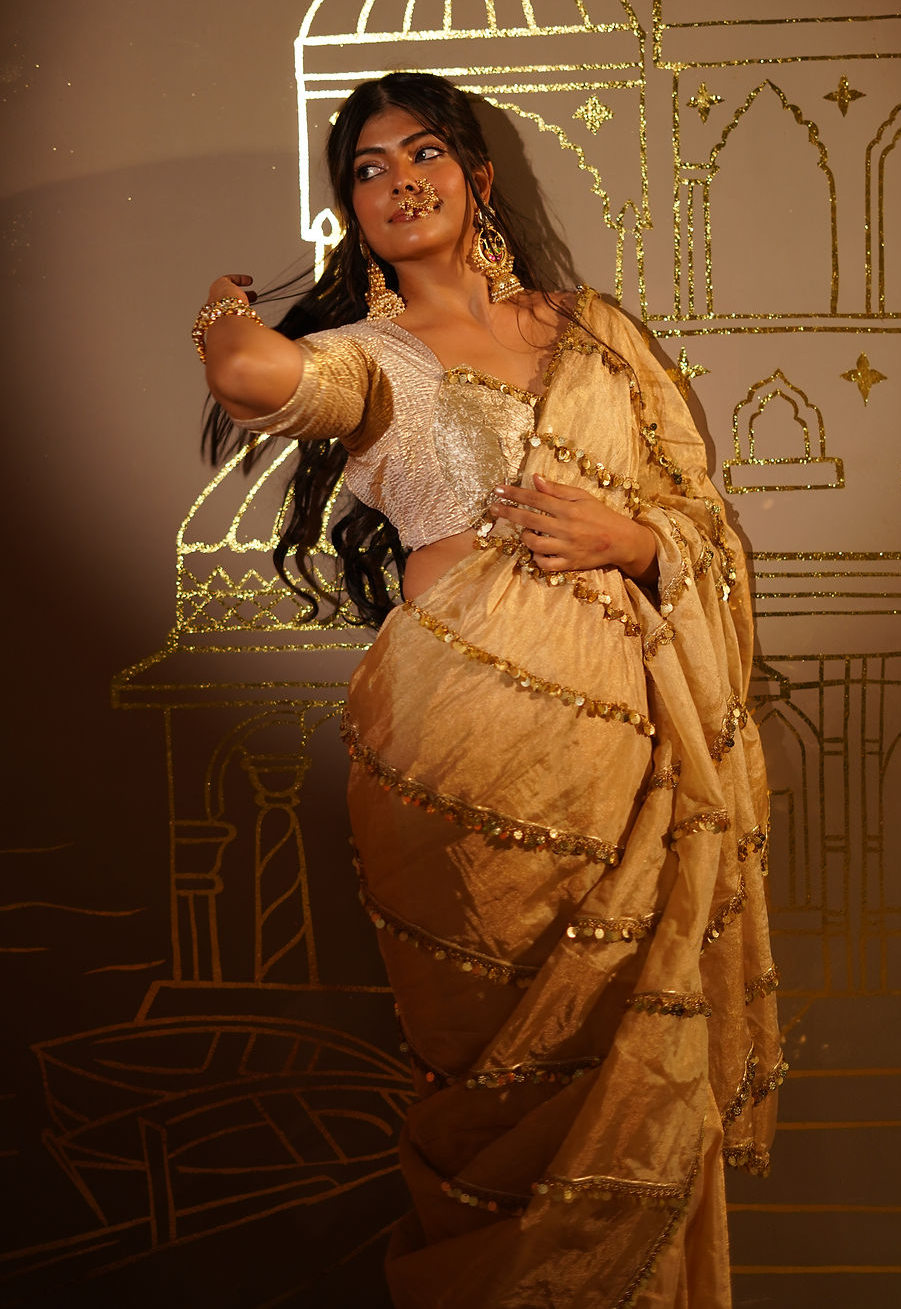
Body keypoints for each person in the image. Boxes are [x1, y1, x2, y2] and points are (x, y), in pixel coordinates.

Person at [196, 72, 782, 1309]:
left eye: (423, 154)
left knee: (630, 1054)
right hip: (456, 753)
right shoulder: (367, 357)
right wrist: (223, 312)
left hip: (626, 750)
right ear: (349, 210)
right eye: (366, 170)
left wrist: (634, 542)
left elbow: (697, 519)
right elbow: (255, 378)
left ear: (478, 174)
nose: (398, 181)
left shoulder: (597, 335)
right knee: (495, 1074)